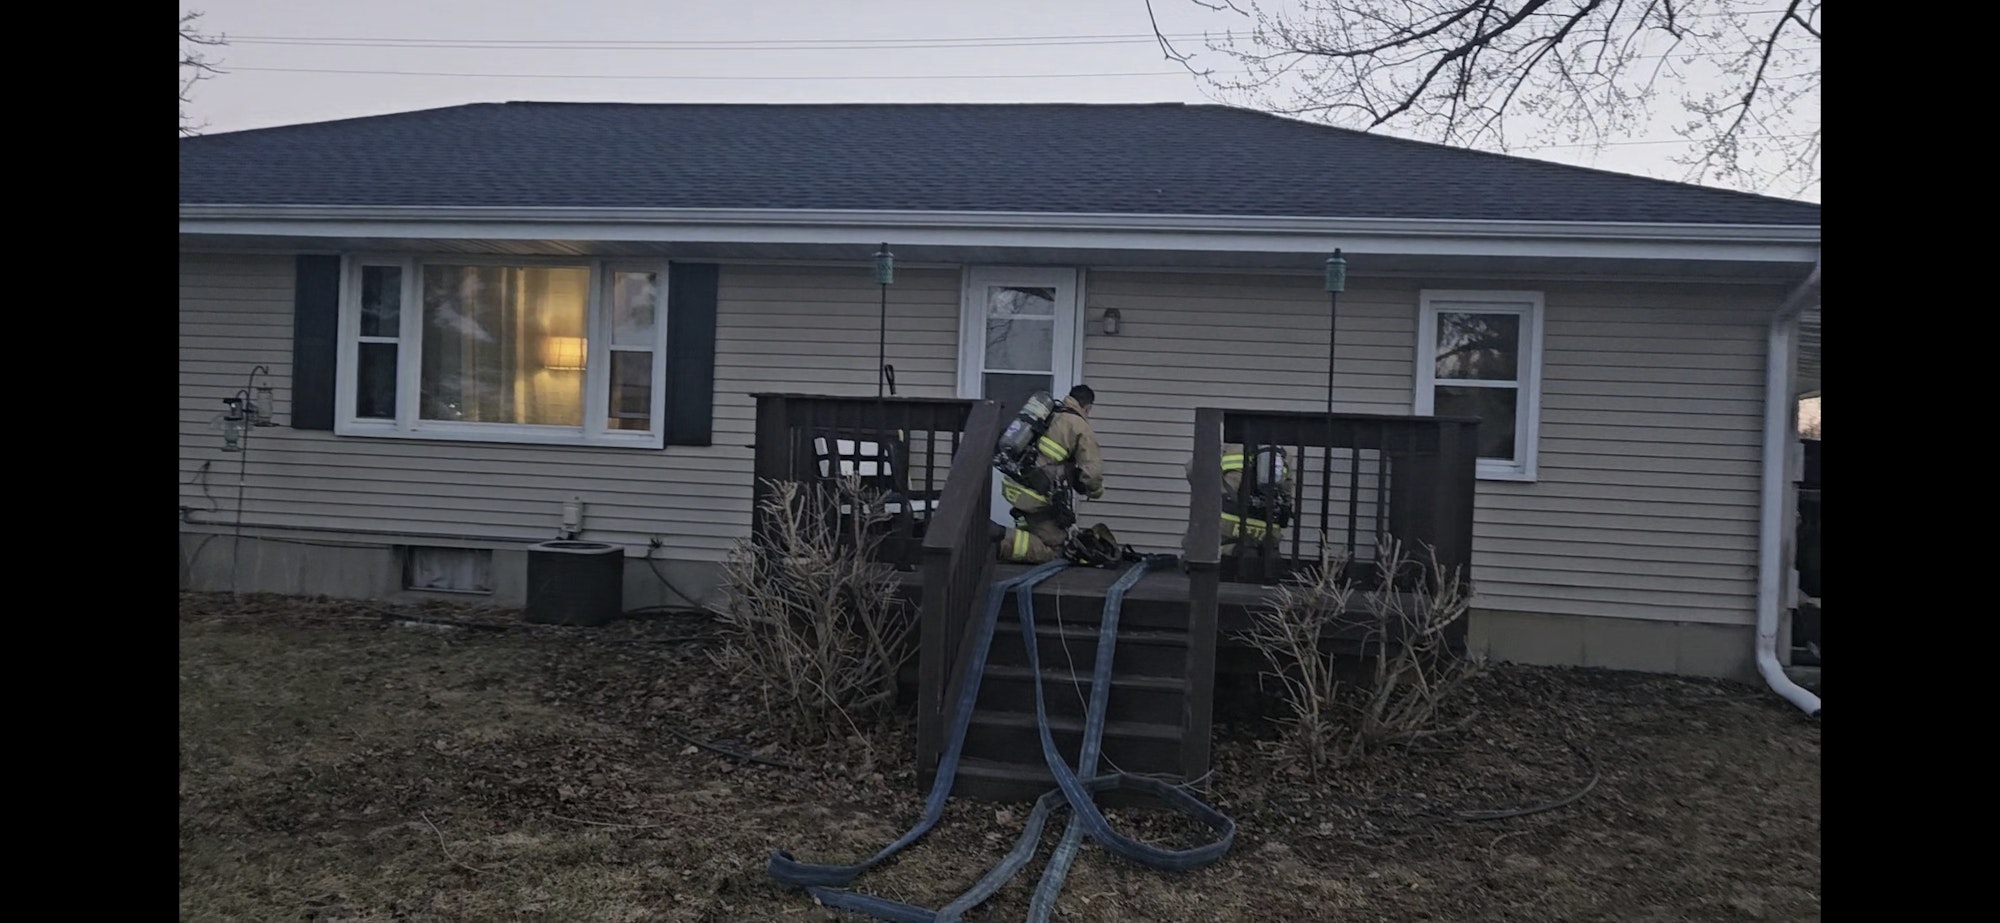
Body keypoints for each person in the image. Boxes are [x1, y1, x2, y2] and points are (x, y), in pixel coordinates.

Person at [998, 385, 1104, 564]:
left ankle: (1007, 542)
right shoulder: (1080, 426)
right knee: (1056, 548)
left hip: (1015, 483)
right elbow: (1092, 473)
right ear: (1088, 408)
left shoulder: (1050, 413)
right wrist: (1095, 491)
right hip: (1035, 494)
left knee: (1033, 530)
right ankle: (996, 542)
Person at [1183, 442, 1296, 560]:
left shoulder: (1229, 447)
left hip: (1227, 524)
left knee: (1201, 548)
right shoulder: (1283, 456)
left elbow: (1195, 471)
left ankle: (1226, 552)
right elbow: (1287, 497)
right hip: (1268, 532)